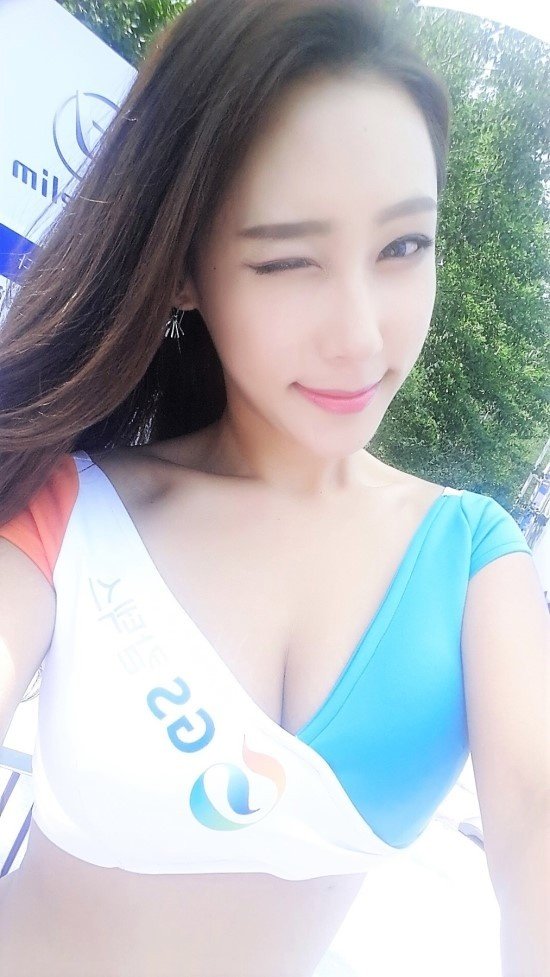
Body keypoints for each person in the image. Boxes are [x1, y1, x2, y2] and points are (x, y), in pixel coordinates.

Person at [0, 2, 545, 976]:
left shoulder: (470, 559)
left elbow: (536, 823)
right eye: (288, 259)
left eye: (403, 247)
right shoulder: (73, 513)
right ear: (183, 270)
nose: (360, 336)